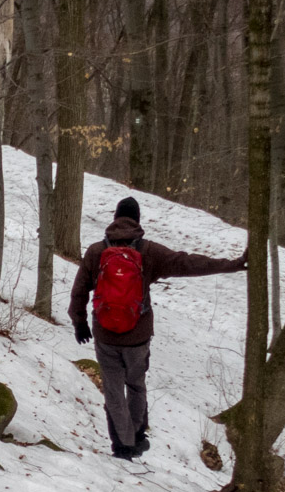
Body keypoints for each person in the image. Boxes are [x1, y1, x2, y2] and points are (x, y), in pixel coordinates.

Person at [70, 197, 247, 459]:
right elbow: (188, 263)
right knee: (137, 385)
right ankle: (138, 436)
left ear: (115, 218)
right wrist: (232, 264)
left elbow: (79, 291)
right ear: (137, 221)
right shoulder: (149, 251)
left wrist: (80, 322)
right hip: (138, 337)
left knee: (114, 391)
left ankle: (123, 445)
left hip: (105, 335)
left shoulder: (96, 252)